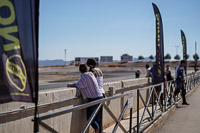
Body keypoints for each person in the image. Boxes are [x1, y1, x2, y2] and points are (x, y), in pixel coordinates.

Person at [67, 64, 104, 133]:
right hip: (100, 96)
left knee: (90, 118)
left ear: (80, 70)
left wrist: (71, 84)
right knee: (97, 118)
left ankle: (97, 128)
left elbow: (79, 85)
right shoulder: (91, 74)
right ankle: (100, 131)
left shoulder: (84, 76)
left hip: (93, 98)